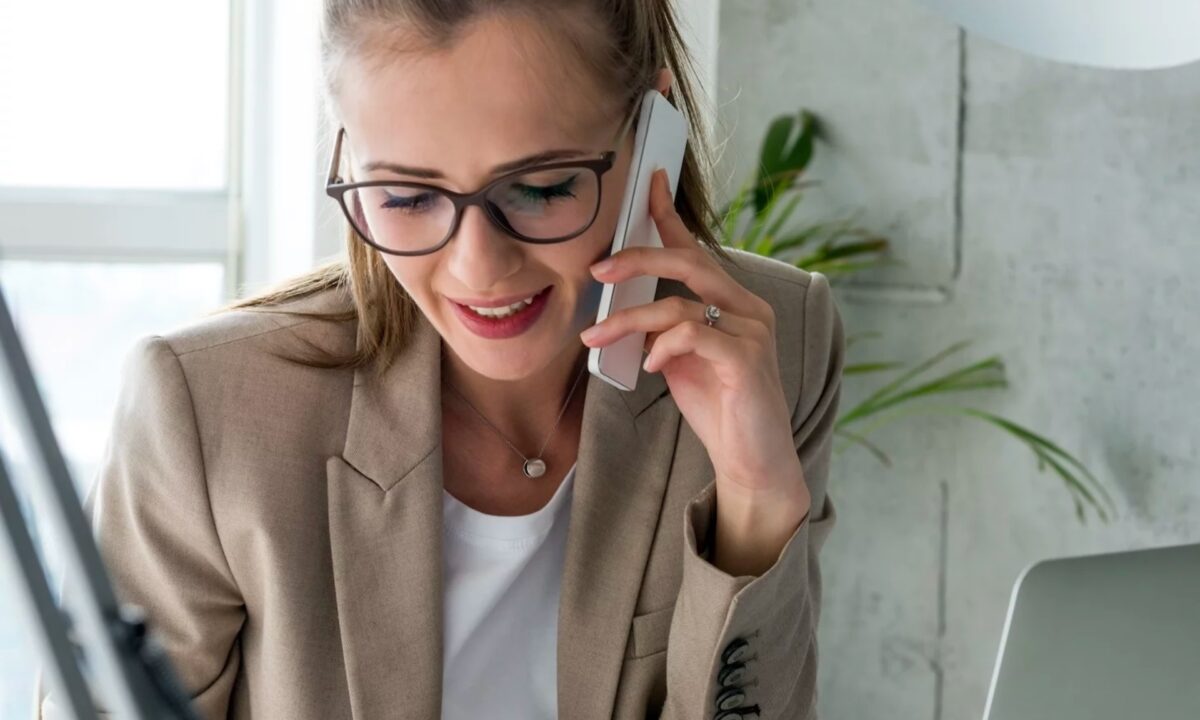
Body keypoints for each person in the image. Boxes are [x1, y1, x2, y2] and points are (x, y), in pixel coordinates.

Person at [36, 0, 843, 717]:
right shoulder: (207, 415)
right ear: (348, 163)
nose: (477, 269)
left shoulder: (776, 348)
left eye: (540, 188)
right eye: (407, 198)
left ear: (653, 136)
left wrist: (756, 504)